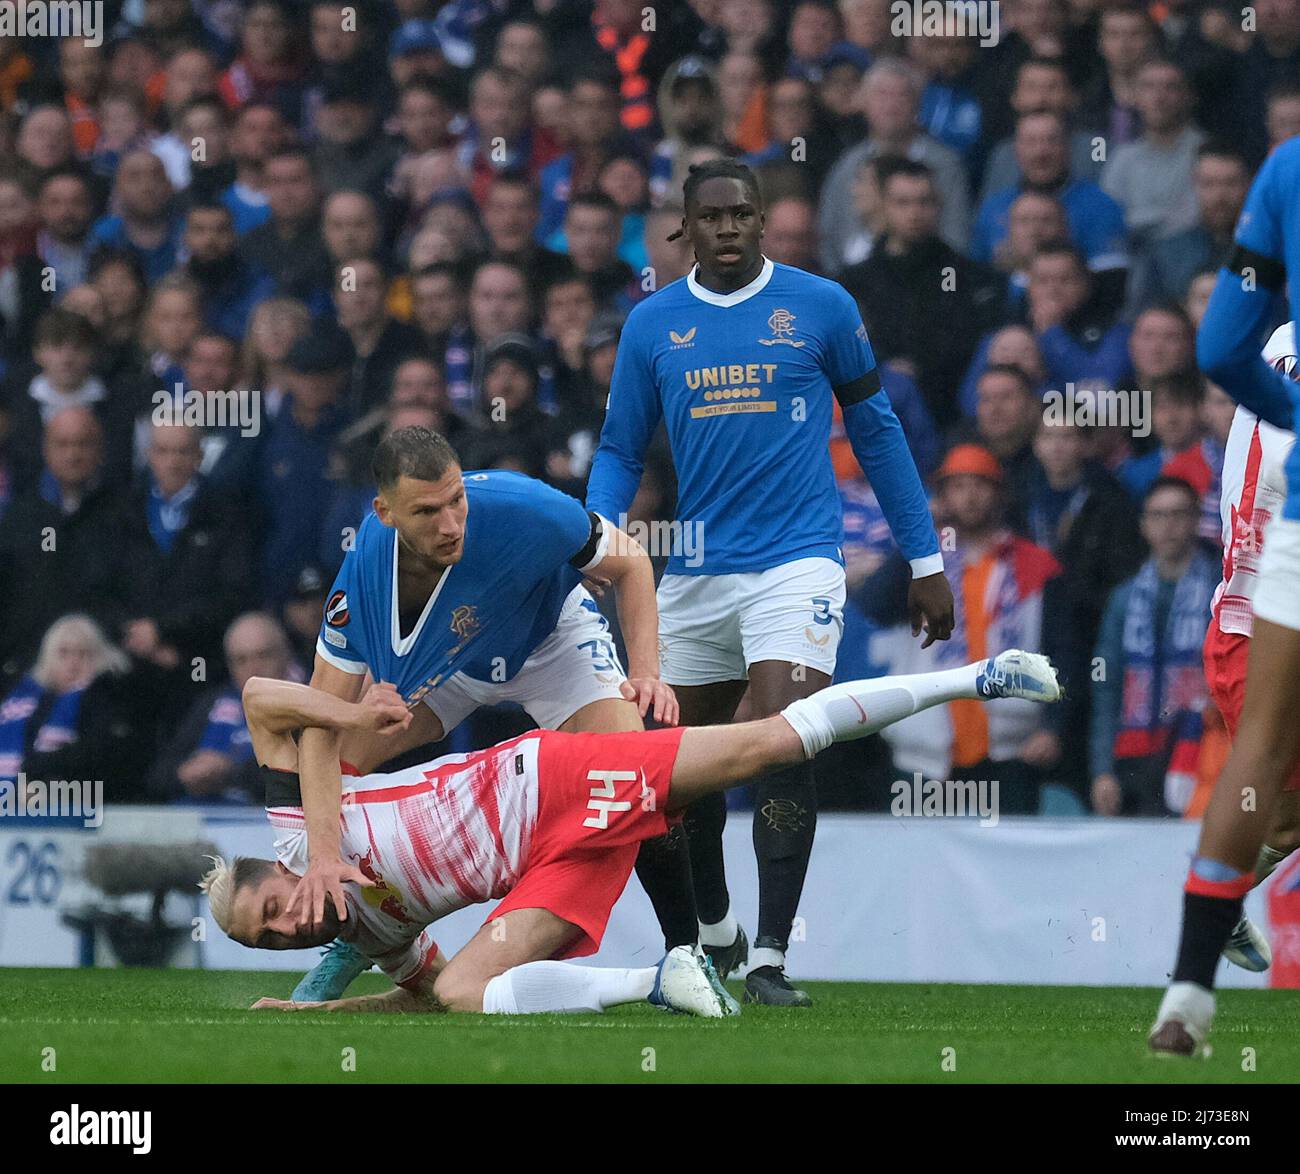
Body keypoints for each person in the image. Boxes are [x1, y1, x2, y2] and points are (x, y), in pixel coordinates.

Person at [208, 645, 1061, 1014]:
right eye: (270, 944)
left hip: (549, 781)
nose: (288, 932)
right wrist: (322, 1012)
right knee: (465, 994)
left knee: (762, 745)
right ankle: (664, 978)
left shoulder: (297, 832)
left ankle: (975, 678)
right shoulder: (376, 932)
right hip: (550, 867)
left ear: (277, 878)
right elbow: (424, 993)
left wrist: (349, 708)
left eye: (271, 915)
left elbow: (258, 700)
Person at [585, 157, 953, 1005]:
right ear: (685, 226)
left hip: (797, 560)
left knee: (787, 733)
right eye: (709, 217)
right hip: (693, 572)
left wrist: (925, 559)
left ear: (761, 221)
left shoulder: (821, 306)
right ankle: (714, 930)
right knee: (669, 767)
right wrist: (596, 544)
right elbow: (618, 450)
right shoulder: (652, 326)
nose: (726, 229)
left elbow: (879, 430)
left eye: (741, 215)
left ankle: (772, 958)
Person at [288, 424, 692, 1004]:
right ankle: (360, 935)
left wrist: (647, 670)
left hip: (551, 642)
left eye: (457, 501)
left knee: (634, 780)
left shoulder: (526, 509)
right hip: (453, 668)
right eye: (428, 511)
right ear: (385, 512)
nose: (451, 523)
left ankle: (690, 948)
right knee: (330, 772)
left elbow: (630, 564)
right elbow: (321, 727)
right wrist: (325, 857)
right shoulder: (361, 582)